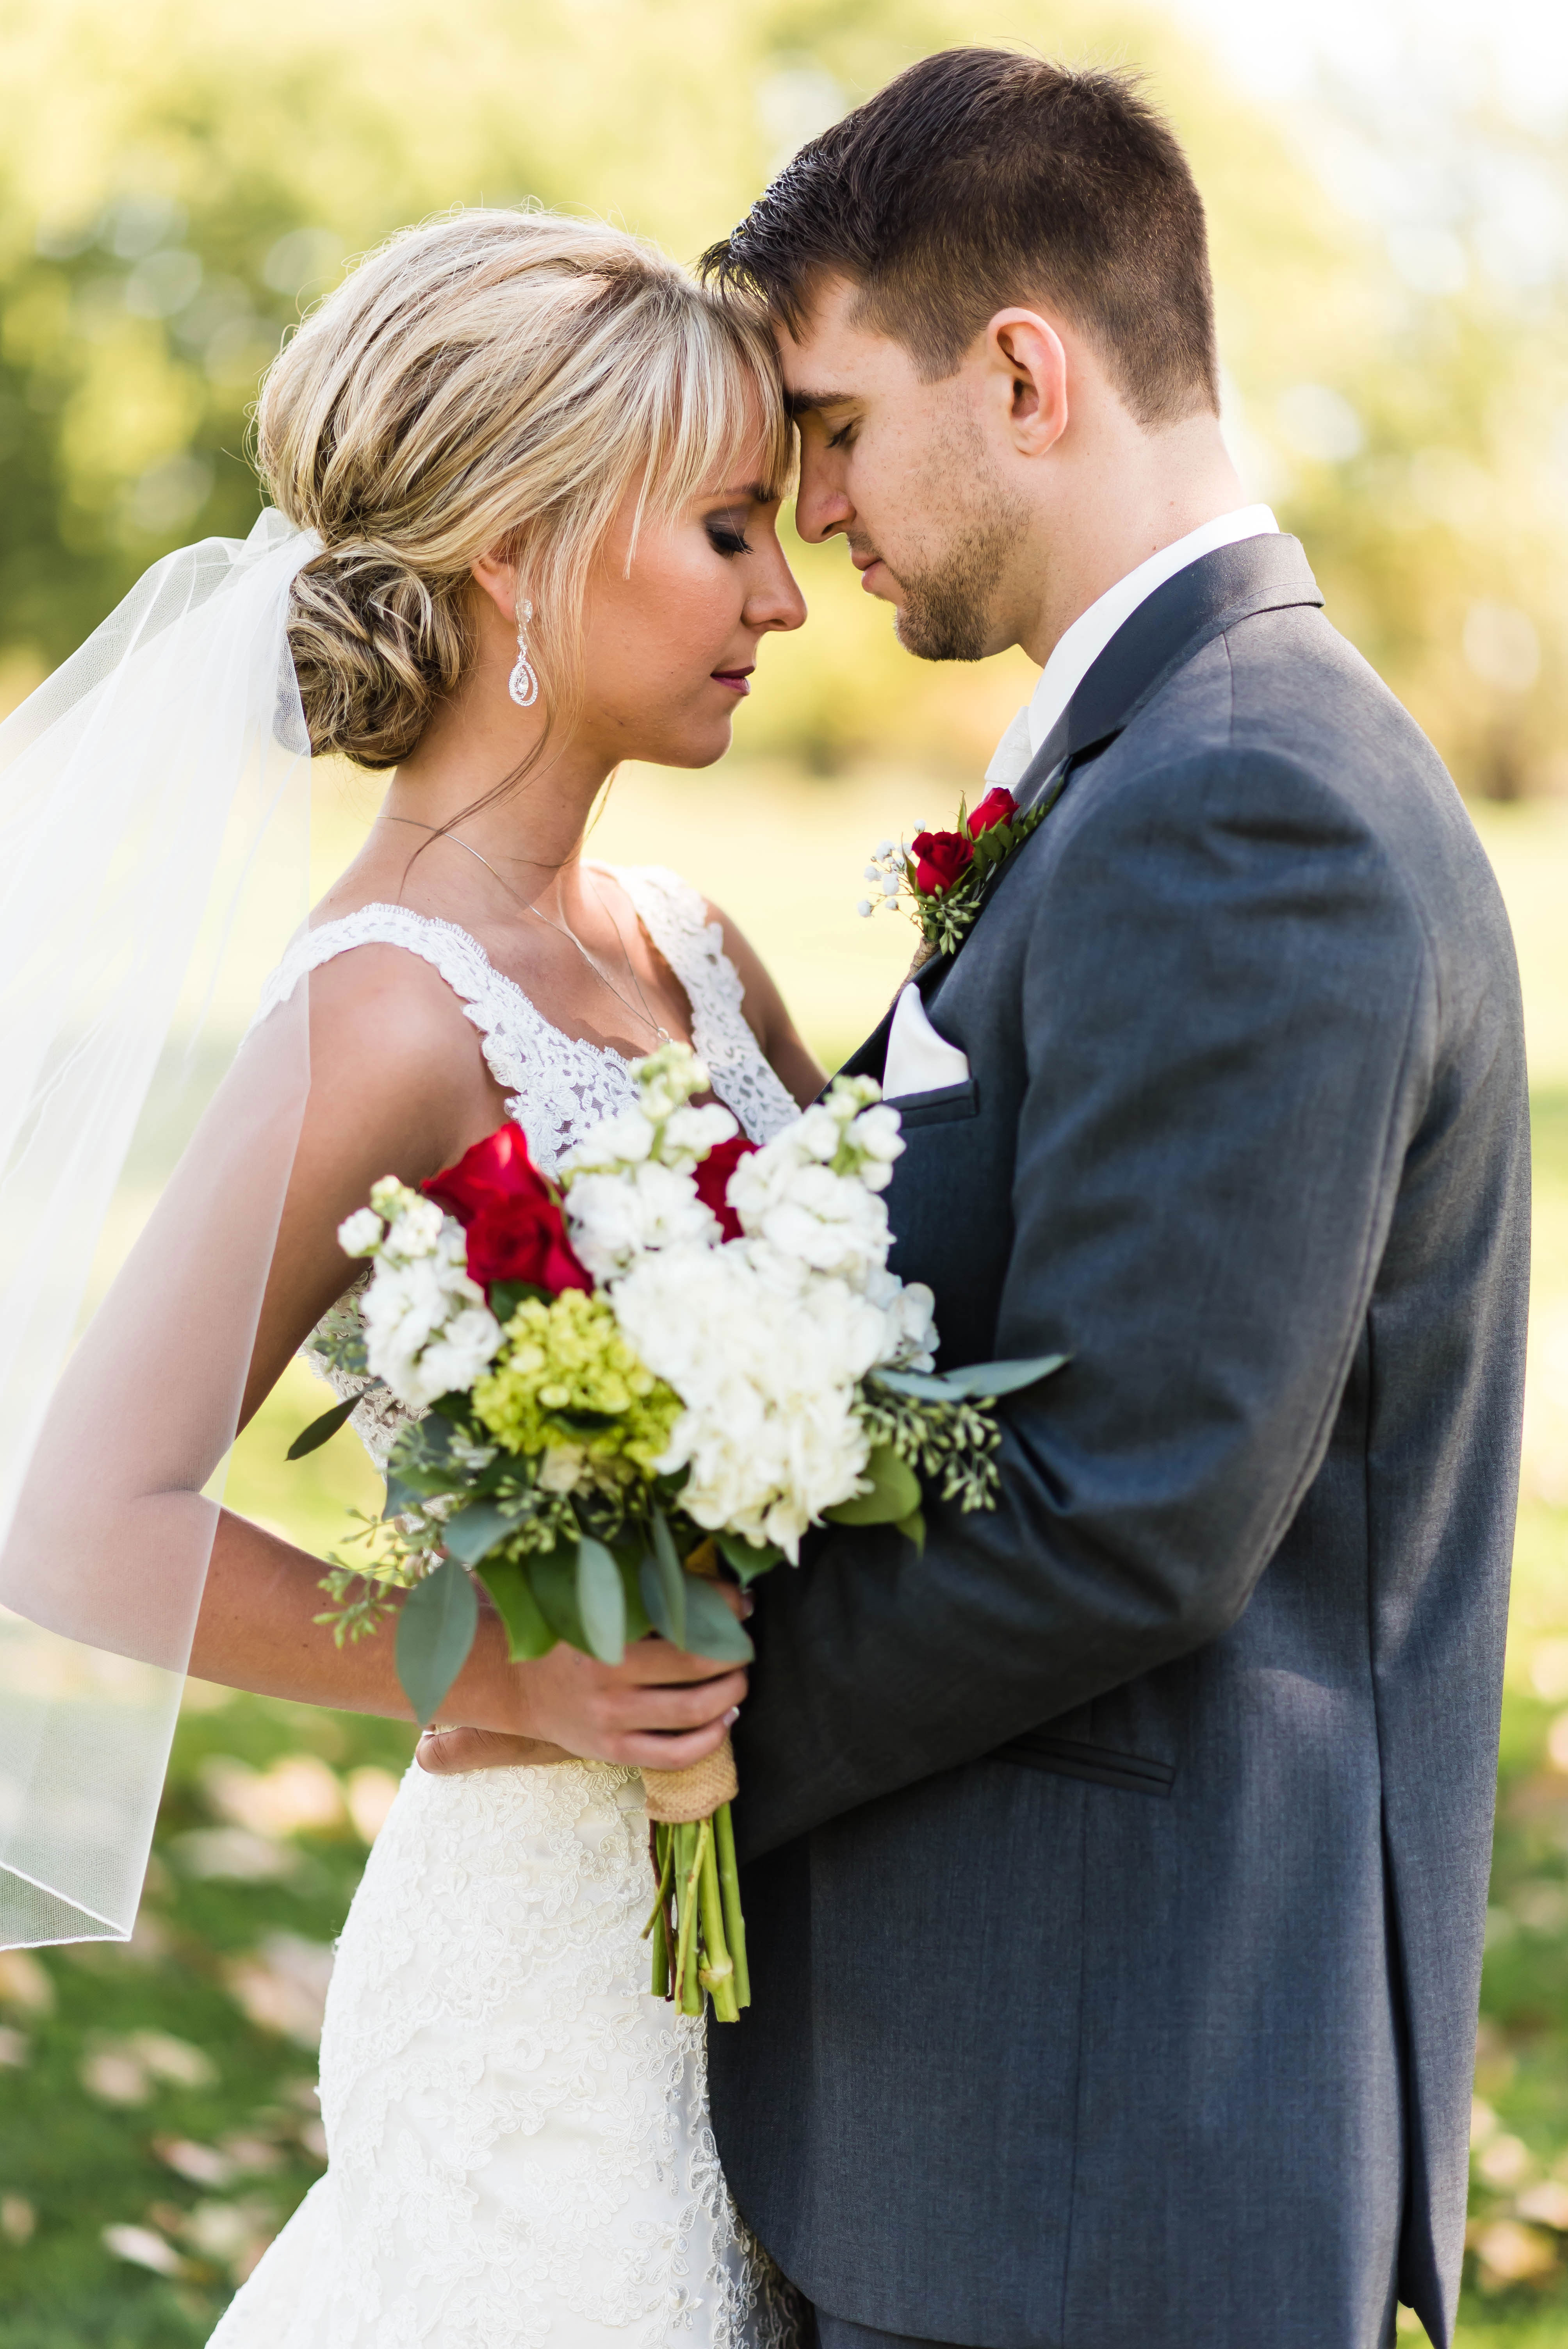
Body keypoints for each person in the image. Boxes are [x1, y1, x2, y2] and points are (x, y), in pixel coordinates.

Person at [678, 48, 1525, 2349]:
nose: (810, 501)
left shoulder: (1242, 800)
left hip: (1104, 2164)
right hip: (1050, 2143)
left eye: (834, 425)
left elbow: (1132, 1500)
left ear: (1025, 374)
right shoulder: (1170, 757)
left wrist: (675, 1735)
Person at [1, 208, 814, 2346]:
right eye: (730, 529)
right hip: (548, 2006)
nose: (788, 595)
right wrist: (500, 1674)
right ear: (520, 556)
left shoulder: (694, 945)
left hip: (798, 1961)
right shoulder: (380, 1014)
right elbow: (79, 1525)